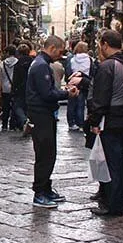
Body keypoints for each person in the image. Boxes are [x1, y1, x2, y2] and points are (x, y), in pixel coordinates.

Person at [86, 30, 123, 217]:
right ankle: (119, 202)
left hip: (110, 120)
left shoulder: (108, 66)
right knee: (121, 163)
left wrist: (94, 120)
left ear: (105, 44)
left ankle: (113, 205)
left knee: (112, 163)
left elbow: (101, 98)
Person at [26, 35, 80, 208]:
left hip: (43, 114)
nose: (61, 55)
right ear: (53, 48)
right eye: (60, 51)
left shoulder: (42, 64)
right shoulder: (41, 66)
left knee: (49, 153)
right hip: (40, 114)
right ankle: (39, 193)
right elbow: (47, 94)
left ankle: (46, 188)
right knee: (45, 154)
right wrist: (67, 94)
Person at [66, 41, 92, 131]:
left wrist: (69, 81)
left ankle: (71, 123)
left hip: (73, 82)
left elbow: (68, 71)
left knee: (71, 104)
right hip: (83, 83)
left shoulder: (72, 59)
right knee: (81, 105)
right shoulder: (89, 59)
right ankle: (80, 124)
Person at [10, 43, 33, 134]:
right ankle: (26, 122)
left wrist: (13, 89)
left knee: (17, 106)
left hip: (20, 89)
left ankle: (24, 121)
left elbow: (15, 79)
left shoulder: (18, 64)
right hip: (30, 88)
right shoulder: (33, 62)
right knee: (27, 106)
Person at [0, 45, 18, 131]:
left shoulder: (2, 63)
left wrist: (0, 89)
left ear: (7, 53)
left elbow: (1, 78)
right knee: (14, 106)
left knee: (5, 107)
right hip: (14, 88)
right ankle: (12, 125)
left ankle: (4, 124)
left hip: (5, 88)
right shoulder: (18, 62)